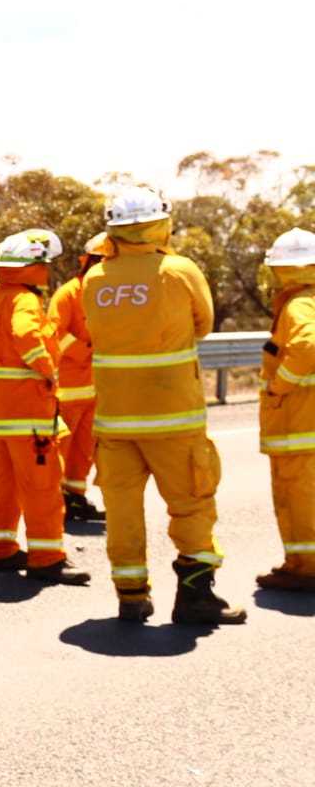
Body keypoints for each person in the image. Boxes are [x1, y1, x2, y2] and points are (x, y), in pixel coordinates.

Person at [80, 186, 243, 624]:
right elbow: (203, 325)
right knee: (192, 506)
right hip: (173, 419)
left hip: (115, 422)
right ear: (161, 225)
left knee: (122, 513)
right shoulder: (179, 270)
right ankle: (196, 597)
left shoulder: (94, 279)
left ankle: (131, 597)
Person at [0, 229, 90, 584]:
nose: (46, 270)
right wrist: (47, 370)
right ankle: (47, 558)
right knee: (42, 487)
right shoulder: (24, 300)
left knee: (5, 485)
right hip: (30, 414)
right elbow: (26, 335)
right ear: (31, 267)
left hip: (0, 413)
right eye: (43, 264)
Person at [256, 227, 315, 592]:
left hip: (299, 425)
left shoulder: (298, 305)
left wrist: (280, 385)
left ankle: (304, 568)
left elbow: (308, 347)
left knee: (297, 499)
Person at [47, 234, 111, 522]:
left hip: (95, 392)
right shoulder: (68, 294)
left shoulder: (107, 295)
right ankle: (53, 501)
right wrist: (87, 350)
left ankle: (75, 497)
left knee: (84, 452)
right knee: (61, 448)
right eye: (100, 261)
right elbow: (55, 334)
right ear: (88, 262)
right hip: (68, 391)